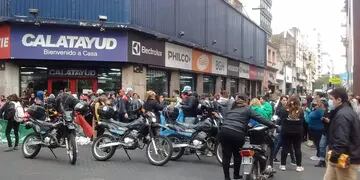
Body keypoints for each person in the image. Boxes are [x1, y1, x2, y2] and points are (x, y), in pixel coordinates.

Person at [219, 94, 276, 180]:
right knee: (237, 155)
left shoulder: (231, 109)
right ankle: (236, 175)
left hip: (224, 132)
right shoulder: (248, 109)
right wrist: (272, 125)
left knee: (226, 156)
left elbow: (225, 119)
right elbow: (260, 118)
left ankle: (227, 178)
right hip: (237, 133)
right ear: (246, 102)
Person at [323, 88, 360, 180]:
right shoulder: (344, 111)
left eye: (331, 99)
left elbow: (341, 139)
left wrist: (333, 158)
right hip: (340, 157)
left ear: (339, 100)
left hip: (344, 159)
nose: (330, 101)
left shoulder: (342, 115)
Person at [279, 95, 304, 172]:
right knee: (297, 148)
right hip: (297, 132)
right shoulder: (301, 110)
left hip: (286, 131)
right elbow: (302, 121)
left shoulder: (283, 109)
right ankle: (299, 166)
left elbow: (281, 120)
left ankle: (283, 165)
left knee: (285, 148)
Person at [273, 96, 296, 164]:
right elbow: (279, 119)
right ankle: (292, 159)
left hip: (286, 127)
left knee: (286, 143)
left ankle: (293, 159)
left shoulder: (287, 108)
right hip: (283, 127)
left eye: (286, 100)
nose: (285, 101)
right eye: (283, 100)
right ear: (281, 101)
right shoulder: (281, 109)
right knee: (281, 143)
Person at [315, 98, 330, 168]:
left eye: (321, 103)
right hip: (325, 131)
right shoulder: (323, 111)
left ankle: (329, 162)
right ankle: (322, 161)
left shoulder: (330, 111)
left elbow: (332, 121)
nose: (319, 104)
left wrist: (327, 120)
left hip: (330, 132)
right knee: (321, 146)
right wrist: (323, 119)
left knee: (330, 147)